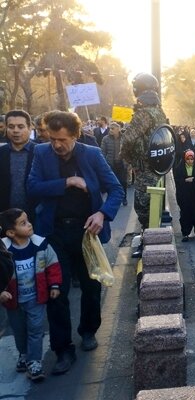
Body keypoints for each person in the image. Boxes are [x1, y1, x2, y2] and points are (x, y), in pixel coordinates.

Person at [27, 110, 124, 374]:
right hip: (54, 232)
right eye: (52, 138)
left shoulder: (91, 154)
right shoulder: (41, 153)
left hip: (87, 232)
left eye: (63, 139)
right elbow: (32, 187)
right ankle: (62, 349)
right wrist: (67, 182)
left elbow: (116, 189)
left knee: (91, 285)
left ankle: (88, 330)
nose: (57, 145)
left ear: (75, 135)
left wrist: (102, 214)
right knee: (57, 291)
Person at [0, 208, 61, 381]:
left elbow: (53, 264)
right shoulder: (3, 251)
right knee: (19, 330)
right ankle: (24, 354)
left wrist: (54, 285)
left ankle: (34, 362)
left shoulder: (40, 244)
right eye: (23, 223)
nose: (29, 225)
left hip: (36, 298)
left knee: (35, 330)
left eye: (28, 220)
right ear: (11, 233)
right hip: (13, 302)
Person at [120, 72, 168, 231]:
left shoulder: (143, 114)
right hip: (157, 165)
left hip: (144, 168)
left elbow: (127, 140)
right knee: (154, 206)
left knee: (142, 206)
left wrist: (127, 159)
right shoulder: (159, 112)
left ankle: (149, 237)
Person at [0, 110, 37, 220]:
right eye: (11, 127)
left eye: (20, 127)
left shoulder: (41, 152)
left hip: (35, 215)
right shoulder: (1, 153)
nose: (15, 130)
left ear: (30, 128)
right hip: (6, 217)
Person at [173, 150, 195, 242]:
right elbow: (177, 180)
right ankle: (185, 233)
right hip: (184, 195)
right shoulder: (179, 168)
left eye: (192, 159)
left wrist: (194, 181)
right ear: (184, 159)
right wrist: (185, 180)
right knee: (185, 213)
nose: (190, 161)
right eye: (188, 159)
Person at [100, 122, 128, 206]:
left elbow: (128, 150)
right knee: (112, 183)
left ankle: (124, 198)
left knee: (123, 182)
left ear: (118, 129)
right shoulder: (105, 139)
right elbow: (102, 152)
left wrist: (128, 163)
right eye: (110, 128)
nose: (110, 130)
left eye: (113, 128)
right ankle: (112, 199)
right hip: (111, 164)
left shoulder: (124, 138)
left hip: (122, 164)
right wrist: (104, 164)